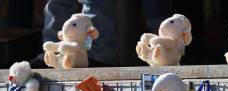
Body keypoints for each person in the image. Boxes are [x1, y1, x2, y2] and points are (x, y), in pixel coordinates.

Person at [36, 0, 171, 67]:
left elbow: (157, 12)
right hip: (89, 58)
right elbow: (59, 6)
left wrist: (164, 47)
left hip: (138, 59)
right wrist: (53, 54)